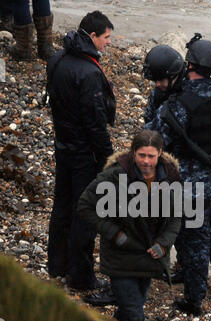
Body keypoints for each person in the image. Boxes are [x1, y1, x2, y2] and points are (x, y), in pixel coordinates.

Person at [145, 38, 211, 315]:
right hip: (210, 184)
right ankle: (195, 292)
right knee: (201, 237)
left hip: (180, 186)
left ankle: (197, 281)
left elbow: (152, 137)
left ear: (188, 65)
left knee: (180, 235)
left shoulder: (176, 103)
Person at [77, 129, 182, 321]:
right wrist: (114, 233)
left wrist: (164, 243)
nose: (146, 161)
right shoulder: (115, 175)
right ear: (134, 153)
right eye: (141, 155)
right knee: (135, 316)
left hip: (150, 256)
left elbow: (176, 217)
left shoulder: (170, 177)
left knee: (129, 310)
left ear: (160, 154)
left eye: (151, 156)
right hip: (120, 256)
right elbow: (85, 206)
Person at [47, 11, 116, 291]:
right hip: (83, 154)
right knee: (85, 213)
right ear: (92, 37)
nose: (109, 43)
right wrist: (107, 157)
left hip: (63, 146)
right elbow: (95, 122)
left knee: (61, 206)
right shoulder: (88, 72)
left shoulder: (57, 59)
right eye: (107, 38)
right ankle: (82, 276)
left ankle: (57, 264)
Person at [143, 44, 186, 124]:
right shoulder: (158, 93)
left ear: (173, 76)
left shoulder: (190, 93)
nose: (157, 84)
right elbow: (149, 120)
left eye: (160, 80)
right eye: (155, 81)